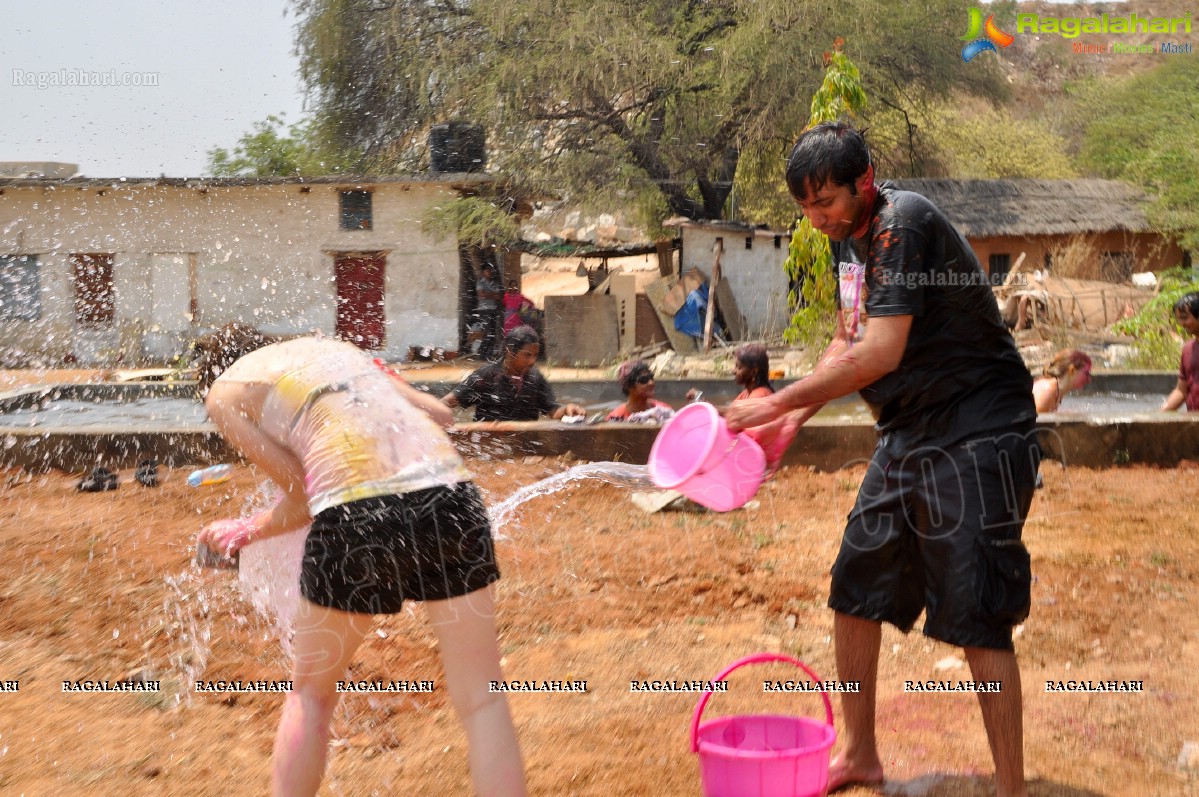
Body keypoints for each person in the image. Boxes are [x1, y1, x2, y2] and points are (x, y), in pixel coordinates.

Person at [726, 121, 1040, 797]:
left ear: (863, 182)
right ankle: (859, 752)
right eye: (805, 209)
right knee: (856, 580)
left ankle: (1011, 786)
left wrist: (775, 403)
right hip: (908, 428)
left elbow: (880, 353)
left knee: (974, 600)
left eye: (826, 202)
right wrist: (795, 418)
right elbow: (847, 341)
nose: (816, 219)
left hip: (980, 426)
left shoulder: (903, 226)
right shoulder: (849, 245)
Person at [194, 333, 526, 797]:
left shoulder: (224, 394)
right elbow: (439, 414)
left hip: (356, 516)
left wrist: (246, 530)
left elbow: (305, 498)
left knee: (311, 695)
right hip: (453, 498)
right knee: (484, 699)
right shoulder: (334, 351)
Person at [444, 326, 586, 422]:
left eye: (535, 355)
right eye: (527, 355)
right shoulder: (485, 376)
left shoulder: (535, 378)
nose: (532, 361)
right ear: (510, 351)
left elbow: (552, 411)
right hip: (490, 447)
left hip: (525, 447)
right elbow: (445, 403)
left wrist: (567, 410)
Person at [1162, 290, 1199, 412]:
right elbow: (1181, 391)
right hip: (1193, 423)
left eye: (1185, 318)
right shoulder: (1188, 349)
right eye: (1179, 319)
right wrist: (1160, 414)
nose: (1182, 323)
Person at [606, 359, 673, 422]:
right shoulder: (617, 417)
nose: (651, 383)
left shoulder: (663, 410)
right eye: (643, 380)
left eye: (651, 378)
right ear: (628, 386)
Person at [1032, 349, 1092, 413]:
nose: (1089, 380)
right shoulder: (1045, 392)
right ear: (1072, 370)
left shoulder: (1057, 392)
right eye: (1086, 373)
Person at [470, 262, 504, 360]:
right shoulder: (480, 283)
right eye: (487, 270)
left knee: (492, 332)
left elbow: (498, 296)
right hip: (484, 311)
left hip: (492, 310)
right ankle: (482, 353)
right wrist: (492, 294)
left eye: (490, 270)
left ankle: (486, 354)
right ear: (483, 272)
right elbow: (481, 295)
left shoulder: (495, 283)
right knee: (486, 332)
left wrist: (487, 294)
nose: (489, 272)